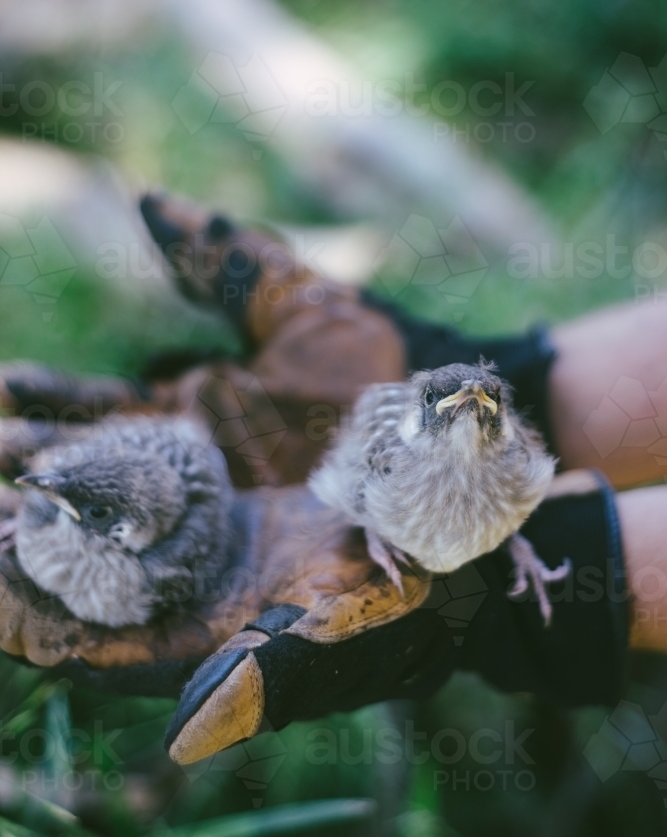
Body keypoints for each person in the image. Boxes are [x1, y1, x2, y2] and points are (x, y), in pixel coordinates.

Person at [0, 192, 666, 766]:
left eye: (487, 412)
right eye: (449, 408)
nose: (470, 414)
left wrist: (530, 560)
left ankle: (524, 552)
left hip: (486, 482)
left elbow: (512, 457)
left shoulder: (513, 459)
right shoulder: (391, 454)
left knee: (504, 502)